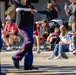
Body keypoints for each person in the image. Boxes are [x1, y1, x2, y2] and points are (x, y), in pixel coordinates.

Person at [12, 0, 39, 70]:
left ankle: (28, 64)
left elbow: (36, 1)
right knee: (29, 41)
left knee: (30, 43)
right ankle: (17, 56)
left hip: (29, 20)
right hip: (22, 20)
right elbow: (23, 2)